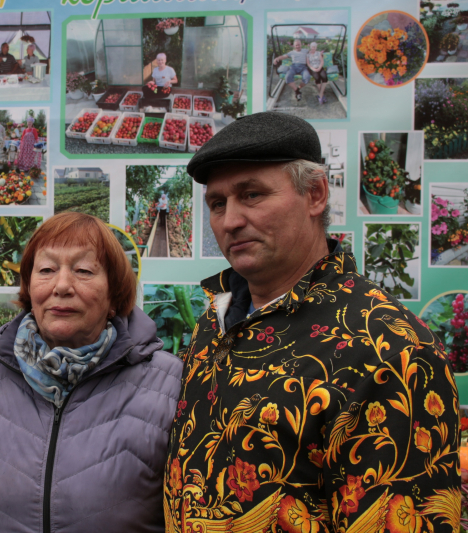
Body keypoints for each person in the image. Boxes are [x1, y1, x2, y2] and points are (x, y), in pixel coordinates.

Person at [163, 112, 460, 532]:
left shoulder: (391, 350)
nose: (229, 221)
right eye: (217, 203)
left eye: (251, 195)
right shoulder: (217, 319)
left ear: (316, 194)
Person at [0, 212, 182, 533]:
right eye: (46, 270)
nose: (62, 285)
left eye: (84, 270)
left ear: (114, 295)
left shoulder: (169, 383)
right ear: (29, 287)